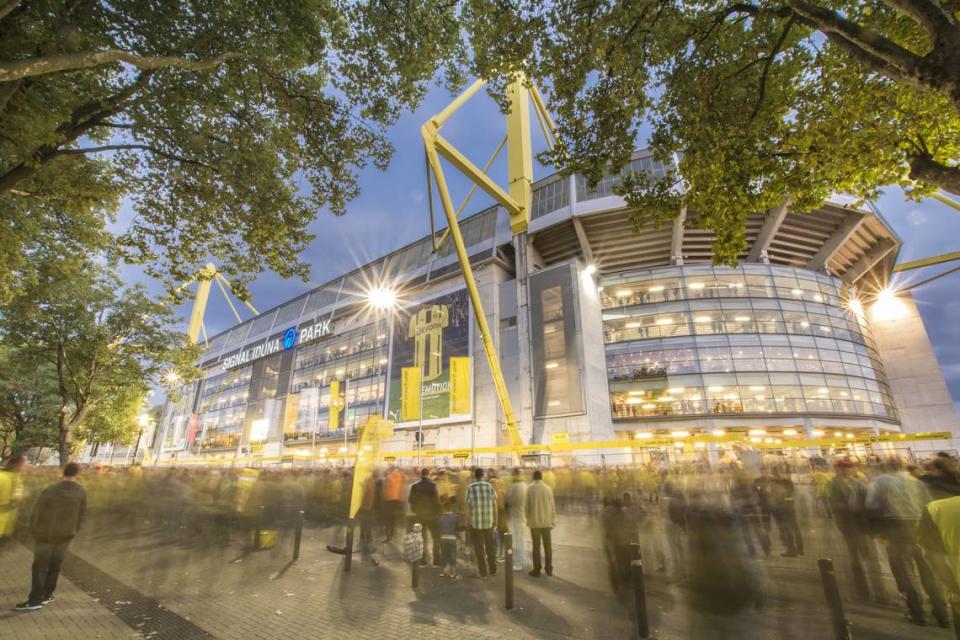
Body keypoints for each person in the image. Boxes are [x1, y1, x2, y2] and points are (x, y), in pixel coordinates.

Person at [867, 458, 947, 626]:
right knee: (928, 572)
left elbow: (871, 504)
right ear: (902, 466)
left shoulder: (881, 481)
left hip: (895, 530)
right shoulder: (915, 481)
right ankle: (941, 614)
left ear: (886, 466)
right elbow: (929, 504)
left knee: (905, 573)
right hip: (919, 529)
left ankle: (917, 613)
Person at [16, 462, 87, 611]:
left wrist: (33, 529)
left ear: (63, 472)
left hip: (45, 533)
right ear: (76, 474)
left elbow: (38, 511)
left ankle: (35, 600)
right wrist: (74, 530)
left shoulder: (51, 490)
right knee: (55, 565)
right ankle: (47, 595)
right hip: (66, 534)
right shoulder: (81, 492)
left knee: (39, 566)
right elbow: (82, 515)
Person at [465, 466, 498, 578]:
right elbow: (495, 505)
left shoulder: (471, 487)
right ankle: (493, 569)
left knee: (479, 549)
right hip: (489, 522)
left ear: (475, 475)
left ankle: (483, 572)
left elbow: (468, 507)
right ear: (483, 475)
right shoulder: (490, 486)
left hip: (476, 523)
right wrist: (495, 520)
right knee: (490, 547)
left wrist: (467, 521)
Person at [525, 469, 556, 577]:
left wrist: (528, 517)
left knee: (536, 547)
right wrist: (552, 520)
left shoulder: (530, 488)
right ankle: (549, 569)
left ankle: (537, 569)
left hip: (535, 523)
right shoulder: (548, 489)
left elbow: (526, 507)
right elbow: (552, 506)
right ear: (541, 477)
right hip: (547, 523)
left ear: (533, 477)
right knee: (548, 547)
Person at [408, 467, 442, 566]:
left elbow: (410, 500)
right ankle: (436, 560)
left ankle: (423, 560)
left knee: (422, 537)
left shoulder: (415, 486)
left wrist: (415, 510)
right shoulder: (433, 485)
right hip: (432, 515)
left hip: (420, 515)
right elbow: (437, 501)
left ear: (421, 475)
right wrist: (439, 511)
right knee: (436, 537)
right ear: (429, 474)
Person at [0, 454, 27, 550]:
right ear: (17, 465)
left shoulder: (17, 479)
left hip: (7, 528)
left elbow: (17, 498)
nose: (25, 467)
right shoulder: (2, 477)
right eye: (24, 465)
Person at [505, 468, 528, 572]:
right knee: (522, 538)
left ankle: (519, 563)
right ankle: (524, 560)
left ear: (515, 474)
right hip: (523, 515)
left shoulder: (514, 487)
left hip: (516, 515)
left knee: (518, 539)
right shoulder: (525, 485)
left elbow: (509, 500)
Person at [438, 496, 462, 579]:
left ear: (443, 508)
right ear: (451, 508)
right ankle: (453, 573)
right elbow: (457, 528)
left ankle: (442, 572)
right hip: (452, 538)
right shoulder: (455, 516)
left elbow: (439, 528)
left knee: (443, 554)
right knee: (452, 554)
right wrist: (459, 536)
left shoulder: (440, 518)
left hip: (443, 538)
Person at [382, 466, 405, 542]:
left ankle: (389, 537)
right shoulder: (401, 477)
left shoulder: (388, 477)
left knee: (388, 520)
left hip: (389, 501)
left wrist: (384, 497)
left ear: (390, 470)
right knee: (394, 520)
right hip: (398, 501)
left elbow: (385, 490)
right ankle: (394, 535)